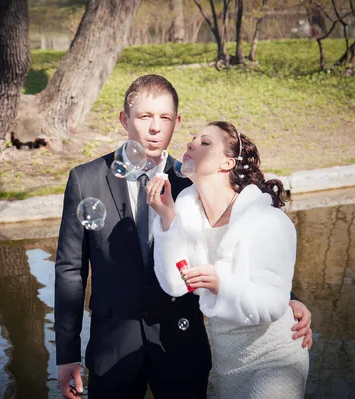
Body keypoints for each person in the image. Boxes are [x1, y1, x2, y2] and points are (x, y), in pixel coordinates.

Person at [54, 75, 313, 399]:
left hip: (182, 350)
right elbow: (69, 271)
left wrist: (290, 298)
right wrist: (67, 354)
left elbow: (242, 234)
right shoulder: (85, 179)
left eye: (164, 118)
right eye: (144, 116)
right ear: (124, 119)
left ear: (176, 122)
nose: (154, 128)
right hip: (113, 351)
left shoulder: (192, 179)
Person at [147, 121, 310, 398]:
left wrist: (223, 284)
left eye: (205, 142)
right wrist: (167, 219)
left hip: (276, 359)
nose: (190, 145)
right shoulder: (187, 217)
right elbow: (175, 285)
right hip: (228, 363)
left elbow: (272, 305)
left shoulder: (268, 220)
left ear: (227, 163)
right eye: (192, 139)